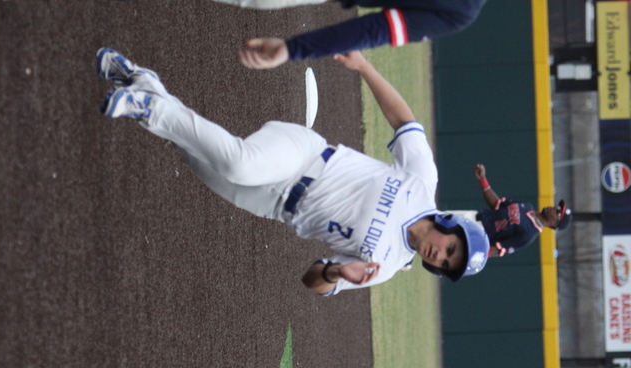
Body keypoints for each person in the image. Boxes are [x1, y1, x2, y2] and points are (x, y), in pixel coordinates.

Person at [96, 47, 489, 295]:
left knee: (192, 152)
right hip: (304, 155)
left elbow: (312, 282)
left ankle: (148, 87)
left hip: (275, 206)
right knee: (237, 162)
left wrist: (336, 272)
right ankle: (150, 108)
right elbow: (404, 120)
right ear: (450, 227)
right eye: (450, 249)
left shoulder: (381, 269)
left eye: (444, 264)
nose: (440, 256)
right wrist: (364, 66)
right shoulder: (422, 184)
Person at [222, 0, 489, 70]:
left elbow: (374, 29)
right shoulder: (463, 10)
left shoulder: (462, 10)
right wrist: (293, 49)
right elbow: (373, 31)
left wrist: (295, 48)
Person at [447, 164, 572, 258]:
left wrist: (469, 254)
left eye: (557, 212)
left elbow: (499, 249)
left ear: (555, 224)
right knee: (435, 219)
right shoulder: (527, 206)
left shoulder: (529, 235)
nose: (554, 208)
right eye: (557, 207)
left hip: (475, 234)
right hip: (472, 215)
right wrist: (483, 179)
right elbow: (497, 204)